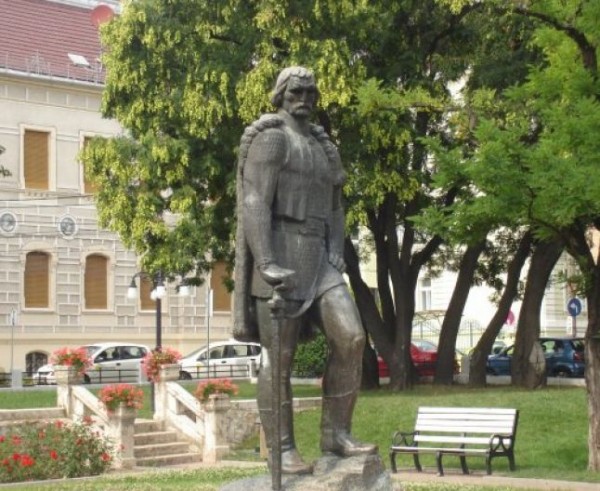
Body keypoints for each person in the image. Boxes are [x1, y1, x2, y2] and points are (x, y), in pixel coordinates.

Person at [234, 66, 376, 475]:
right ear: (280, 94)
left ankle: (336, 435)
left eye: (312, 92)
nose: (306, 97)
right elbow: (256, 202)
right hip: (279, 251)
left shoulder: (322, 146)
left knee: (350, 337)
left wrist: (336, 248)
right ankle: (282, 449)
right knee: (279, 358)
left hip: (319, 257)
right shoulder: (272, 140)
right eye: (297, 90)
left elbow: (335, 206)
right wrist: (265, 261)